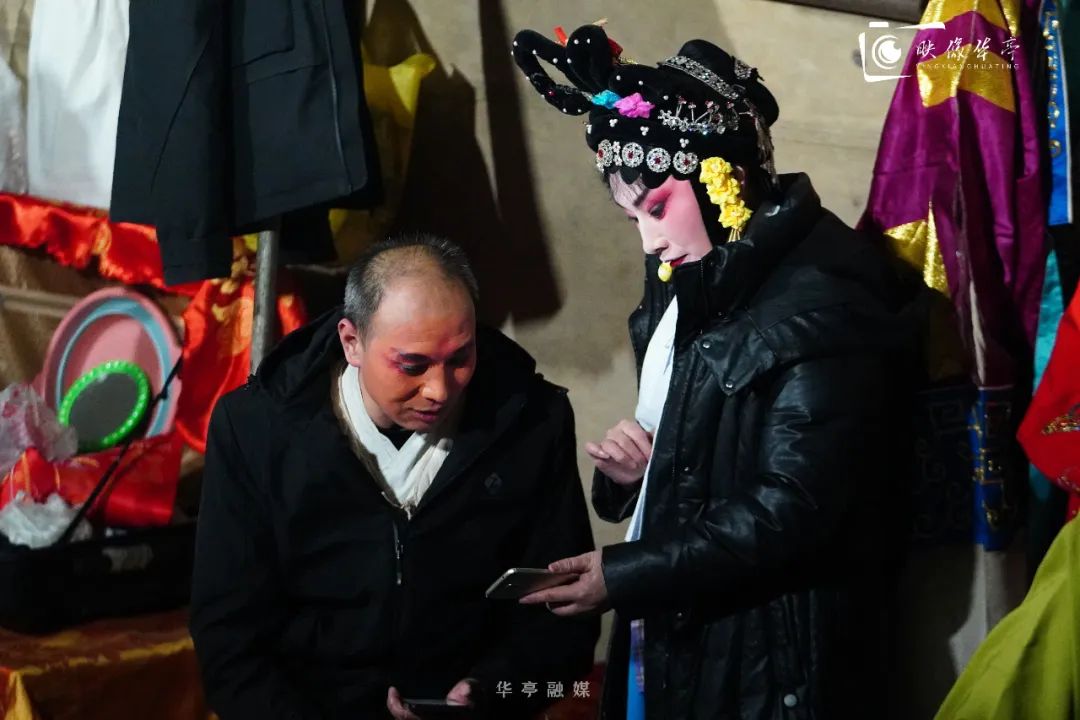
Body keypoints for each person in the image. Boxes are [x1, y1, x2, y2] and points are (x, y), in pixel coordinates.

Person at [511, 24, 910, 720]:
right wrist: (641, 469)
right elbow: (697, 440)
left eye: (658, 206)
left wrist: (622, 575)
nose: (650, 239)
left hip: (770, 649)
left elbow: (794, 506)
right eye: (631, 217)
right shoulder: (691, 274)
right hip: (683, 621)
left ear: (723, 176)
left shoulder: (823, 303)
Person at [190, 233, 599, 719]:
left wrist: (487, 693)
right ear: (352, 342)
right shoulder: (257, 431)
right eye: (412, 365)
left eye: (460, 358)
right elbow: (228, 636)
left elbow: (563, 613)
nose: (439, 389)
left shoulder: (532, 422)